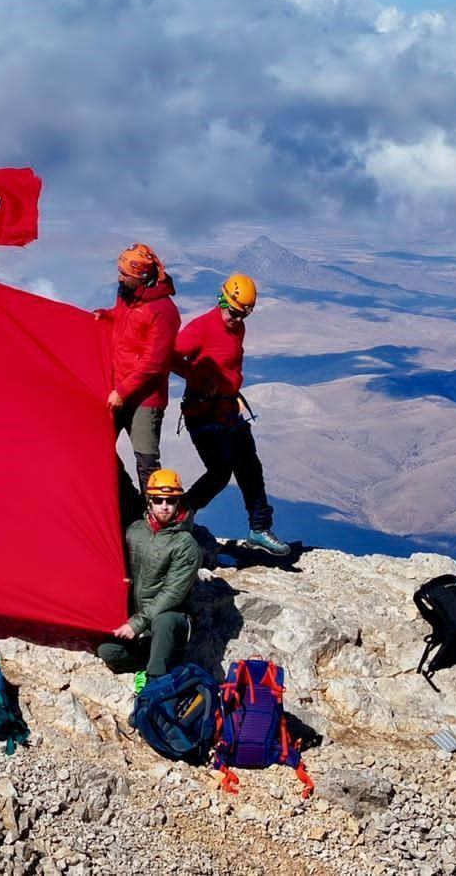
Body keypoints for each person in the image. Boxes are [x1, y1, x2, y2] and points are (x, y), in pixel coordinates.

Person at [169, 272, 290, 556]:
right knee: (220, 471)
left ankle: (259, 529)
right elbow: (170, 355)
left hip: (228, 411)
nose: (237, 319)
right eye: (234, 312)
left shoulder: (236, 328)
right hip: (203, 414)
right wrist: (196, 377)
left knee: (250, 467)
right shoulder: (201, 328)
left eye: (243, 315)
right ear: (222, 300)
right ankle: (179, 516)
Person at [98, 469, 201, 692]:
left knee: (164, 621)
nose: (164, 506)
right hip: (140, 621)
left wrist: (136, 624)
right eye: (158, 500)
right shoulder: (134, 531)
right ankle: (151, 662)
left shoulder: (186, 544)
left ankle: (155, 685)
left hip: (172, 621)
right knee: (108, 651)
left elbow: (172, 594)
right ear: (149, 501)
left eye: (171, 501)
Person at [97, 243, 181, 497]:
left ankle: (155, 520)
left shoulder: (164, 312)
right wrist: (106, 315)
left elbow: (154, 362)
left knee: (146, 461)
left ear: (142, 276)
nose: (119, 278)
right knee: (99, 449)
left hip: (145, 398)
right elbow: (124, 320)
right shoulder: (126, 294)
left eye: (125, 274)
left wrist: (122, 391)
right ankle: (130, 505)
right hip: (118, 388)